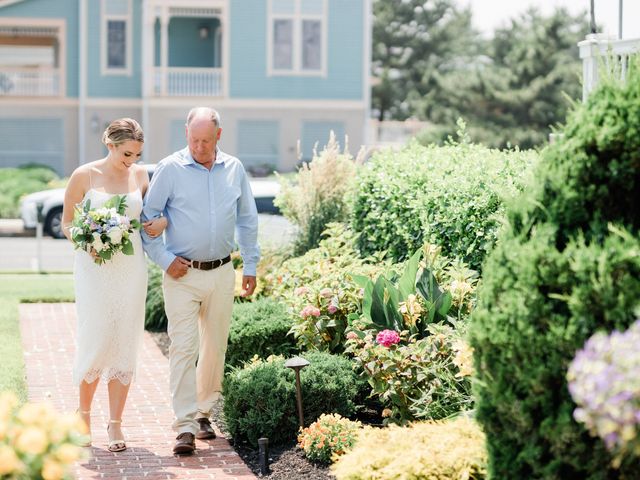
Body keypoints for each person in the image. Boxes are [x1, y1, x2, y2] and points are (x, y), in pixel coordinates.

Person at [141, 107, 259, 455]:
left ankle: (204, 412)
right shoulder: (170, 168)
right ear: (186, 134)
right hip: (182, 274)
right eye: (194, 140)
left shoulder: (234, 168)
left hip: (222, 272)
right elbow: (147, 221)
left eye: (206, 141)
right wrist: (164, 259)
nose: (200, 147)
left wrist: (249, 266)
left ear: (218, 136)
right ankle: (184, 426)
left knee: (215, 345)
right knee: (183, 346)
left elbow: (248, 220)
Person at [61, 118, 167, 452]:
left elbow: (151, 217)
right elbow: (67, 222)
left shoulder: (140, 175)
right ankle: (83, 415)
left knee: (124, 340)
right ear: (110, 144)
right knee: (96, 338)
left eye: (137, 154)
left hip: (130, 268)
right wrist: (85, 240)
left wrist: (160, 223)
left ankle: (116, 424)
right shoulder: (84, 176)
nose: (132, 160)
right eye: (126, 153)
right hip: (93, 269)